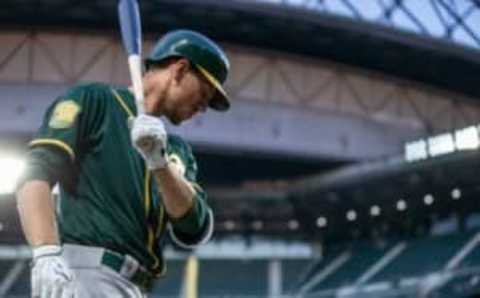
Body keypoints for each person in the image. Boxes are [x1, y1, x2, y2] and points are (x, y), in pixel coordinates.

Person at [15, 29, 230, 298]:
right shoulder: (96, 101)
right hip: (88, 274)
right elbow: (36, 172)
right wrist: (45, 250)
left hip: (135, 285)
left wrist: (159, 162)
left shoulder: (175, 150)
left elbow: (194, 228)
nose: (204, 107)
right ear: (179, 69)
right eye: (205, 92)